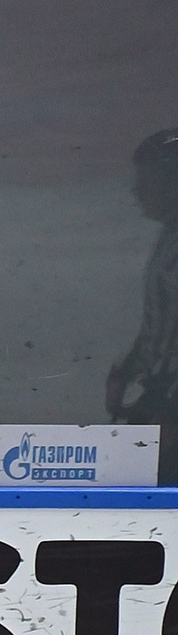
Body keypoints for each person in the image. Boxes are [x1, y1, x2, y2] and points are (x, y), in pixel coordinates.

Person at [108, 129, 178, 468]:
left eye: (148, 180)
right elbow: (161, 323)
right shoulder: (170, 239)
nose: (136, 191)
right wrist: (128, 370)